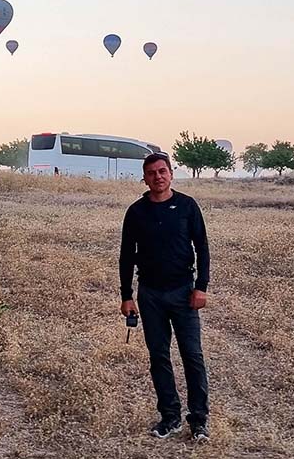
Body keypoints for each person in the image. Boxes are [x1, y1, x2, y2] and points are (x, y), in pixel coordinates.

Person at [119, 152, 211, 442]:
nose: (158, 177)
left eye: (163, 171)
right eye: (151, 173)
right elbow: (126, 256)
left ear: (171, 173)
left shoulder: (187, 206)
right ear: (144, 178)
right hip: (150, 295)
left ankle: (198, 421)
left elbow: (203, 249)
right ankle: (170, 416)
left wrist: (201, 287)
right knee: (159, 356)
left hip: (183, 293)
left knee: (192, 356)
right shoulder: (136, 212)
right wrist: (126, 295)